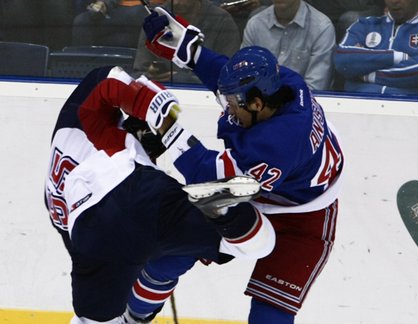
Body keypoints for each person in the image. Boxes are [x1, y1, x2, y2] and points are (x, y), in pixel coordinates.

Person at [133, 9, 345, 323]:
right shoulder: (282, 83)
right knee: (168, 256)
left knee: (269, 315)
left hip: (303, 218)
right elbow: (226, 77)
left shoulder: (277, 144)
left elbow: (207, 174)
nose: (228, 108)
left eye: (233, 104)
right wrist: (188, 51)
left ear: (257, 104)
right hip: (266, 183)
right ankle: (128, 317)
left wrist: (168, 129)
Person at [45, 65, 276, 323]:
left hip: (98, 222)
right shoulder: (83, 126)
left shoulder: (59, 204)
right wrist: (144, 102)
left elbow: (109, 256)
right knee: (259, 245)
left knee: (93, 318)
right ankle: (224, 213)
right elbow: (108, 81)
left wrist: (142, 103)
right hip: (149, 189)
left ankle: (135, 318)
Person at [333, 0, 418, 96]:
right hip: (357, 103)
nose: (394, 1)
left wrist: (369, 75)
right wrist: (398, 57)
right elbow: (342, 60)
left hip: (412, 106)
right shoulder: (365, 24)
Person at [133, 0, 240, 83]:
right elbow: (139, 72)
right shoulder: (157, 19)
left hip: (205, 96)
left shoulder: (221, 20)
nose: (176, 2)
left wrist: (180, 78)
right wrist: (150, 76)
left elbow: (229, 73)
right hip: (162, 92)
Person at [240, 0, 336, 90]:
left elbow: (315, 88)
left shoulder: (321, 28)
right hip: (259, 103)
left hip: (302, 104)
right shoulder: (255, 24)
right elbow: (244, 76)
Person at [71, 0, 164, 48]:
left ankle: (143, 67)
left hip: (149, 9)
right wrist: (103, 4)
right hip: (117, 8)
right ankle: (84, 65)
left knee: (135, 14)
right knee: (82, 21)